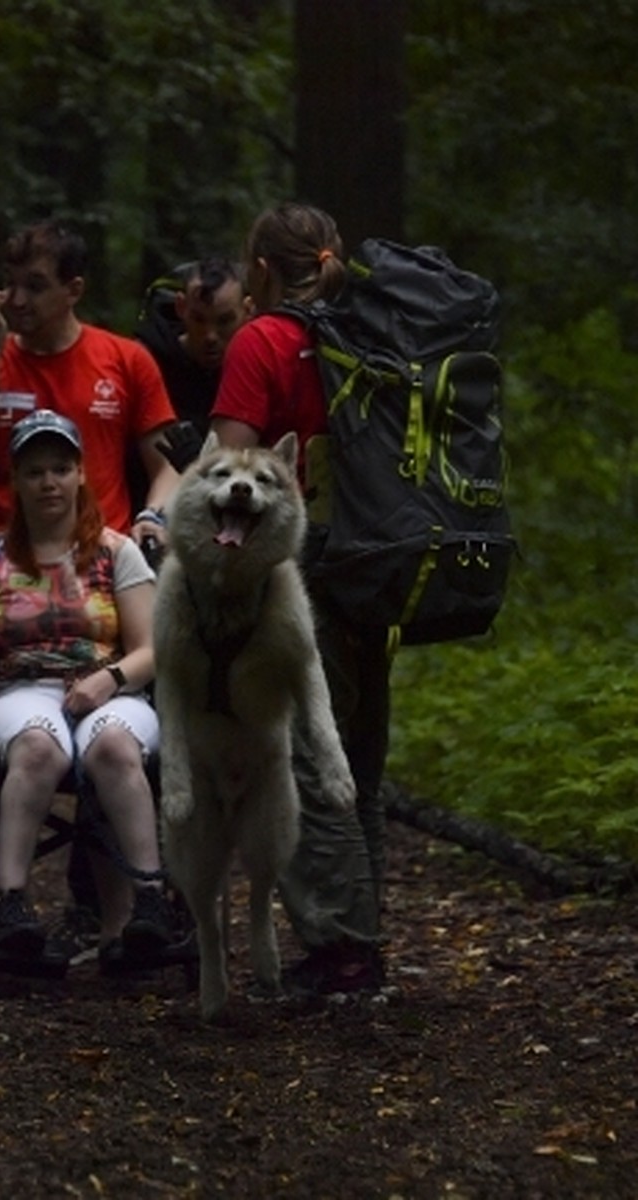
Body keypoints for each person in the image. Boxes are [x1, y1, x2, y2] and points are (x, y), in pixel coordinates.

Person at [210, 201, 388, 995]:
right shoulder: (367, 334)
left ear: (259, 272)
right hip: (376, 556)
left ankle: (343, 949)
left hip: (304, 564)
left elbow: (229, 472)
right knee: (358, 752)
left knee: (310, 749)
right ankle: (363, 932)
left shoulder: (264, 341)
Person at [0, 409, 171, 968]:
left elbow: (152, 650)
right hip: (17, 688)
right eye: (35, 471)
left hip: (109, 686)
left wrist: (108, 680)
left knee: (114, 747)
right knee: (39, 747)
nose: (49, 482)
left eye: (61, 469)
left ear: (81, 475)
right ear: (15, 481)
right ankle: (10, 905)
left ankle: (149, 902)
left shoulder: (118, 553)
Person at [0, 219, 179, 546]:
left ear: (74, 290)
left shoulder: (126, 360)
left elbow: (168, 462)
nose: (18, 300)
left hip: (99, 562)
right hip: (1, 566)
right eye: (11, 284)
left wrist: (153, 513)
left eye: (35, 286)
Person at [134, 257, 249, 439]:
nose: (210, 336)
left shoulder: (255, 366)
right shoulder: (147, 362)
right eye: (199, 319)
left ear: (248, 311)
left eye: (224, 321)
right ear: (181, 307)